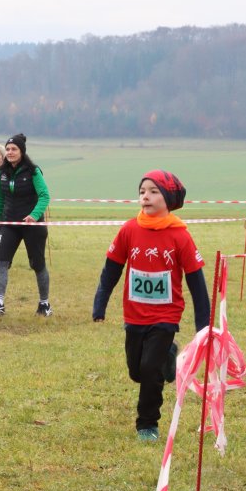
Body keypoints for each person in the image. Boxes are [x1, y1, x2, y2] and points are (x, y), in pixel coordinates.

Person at [92, 170, 210, 441]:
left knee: (149, 370)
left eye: (154, 191)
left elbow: (196, 282)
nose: (146, 196)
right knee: (136, 371)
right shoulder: (129, 230)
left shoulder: (180, 236)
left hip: (166, 316)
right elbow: (111, 270)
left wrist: (203, 324)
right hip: (134, 315)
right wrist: (100, 304)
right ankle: (169, 356)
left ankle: (147, 424)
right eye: (142, 191)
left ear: (168, 198)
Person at [0, 133, 52, 317]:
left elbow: (45, 196)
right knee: (1, 261)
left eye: (14, 149)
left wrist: (34, 215)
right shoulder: (2, 172)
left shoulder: (33, 171)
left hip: (32, 225)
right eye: (8, 149)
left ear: (22, 151)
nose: (10, 152)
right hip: (9, 224)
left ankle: (44, 304)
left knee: (38, 264)